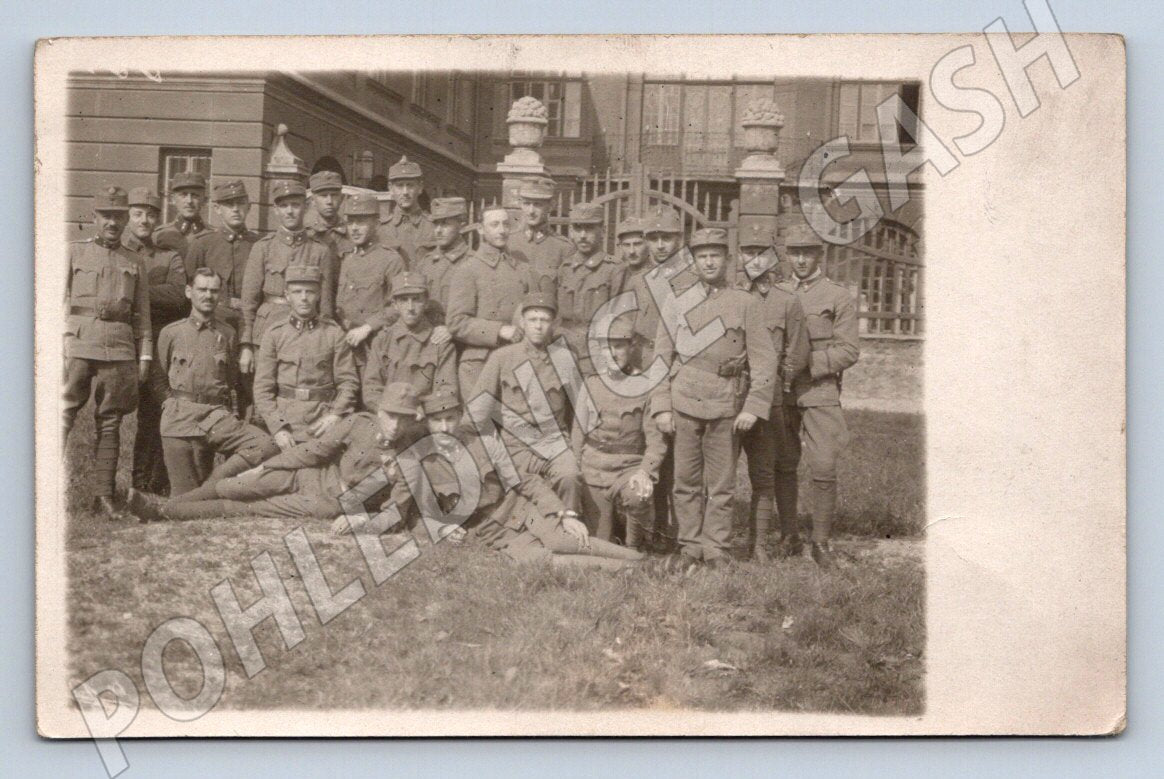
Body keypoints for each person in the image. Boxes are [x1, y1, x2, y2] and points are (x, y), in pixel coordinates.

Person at [395, 389, 642, 569]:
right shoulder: (423, 462)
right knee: (541, 560)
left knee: (562, 540)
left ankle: (640, 560)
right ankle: (629, 569)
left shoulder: (484, 442)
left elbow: (525, 480)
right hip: (492, 532)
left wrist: (562, 513)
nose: (444, 427)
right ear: (427, 423)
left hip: (520, 510)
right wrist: (443, 528)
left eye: (450, 419)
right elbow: (418, 516)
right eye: (437, 421)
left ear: (460, 417)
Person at [651, 227, 778, 570]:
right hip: (684, 401)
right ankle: (689, 546)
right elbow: (661, 357)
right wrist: (661, 406)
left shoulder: (746, 303)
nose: (708, 262)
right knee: (685, 481)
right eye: (702, 256)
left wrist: (754, 406)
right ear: (693, 262)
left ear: (727, 259)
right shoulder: (677, 301)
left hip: (726, 403)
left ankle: (716, 548)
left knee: (722, 484)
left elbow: (764, 360)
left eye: (715, 256)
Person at [128, 382, 421, 522]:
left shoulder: (410, 457)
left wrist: (359, 521)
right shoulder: (360, 423)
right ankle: (164, 507)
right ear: (379, 411)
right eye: (391, 415)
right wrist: (268, 466)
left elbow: (396, 512)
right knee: (232, 486)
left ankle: (162, 512)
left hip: (327, 502)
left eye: (404, 418)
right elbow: (314, 451)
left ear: (413, 420)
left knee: (247, 507)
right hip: (309, 474)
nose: (395, 425)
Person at [145, 267, 280, 497]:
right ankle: (202, 494)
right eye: (202, 290)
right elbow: (157, 376)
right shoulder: (171, 332)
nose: (208, 296)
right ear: (189, 292)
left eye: (214, 291)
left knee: (266, 445)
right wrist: (168, 404)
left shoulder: (228, 334)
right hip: (179, 419)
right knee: (185, 496)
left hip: (215, 416)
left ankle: (214, 484)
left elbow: (231, 378)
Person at [63, 186, 152, 520]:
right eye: (106, 216)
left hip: (118, 346)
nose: (112, 223)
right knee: (62, 413)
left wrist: (145, 355)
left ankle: (103, 496)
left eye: (118, 216)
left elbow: (142, 314)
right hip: (78, 343)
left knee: (111, 421)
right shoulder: (74, 252)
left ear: (126, 219)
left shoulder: (135, 261)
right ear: (94, 217)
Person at [777, 222, 860, 569]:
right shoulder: (777, 292)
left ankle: (821, 542)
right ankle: (788, 535)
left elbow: (849, 350)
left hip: (819, 389)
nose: (800, 260)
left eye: (807, 253)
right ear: (787, 256)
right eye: (794, 253)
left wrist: (807, 364)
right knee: (783, 463)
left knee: (824, 465)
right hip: (782, 391)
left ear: (819, 255)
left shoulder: (837, 296)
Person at [735, 222, 811, 560]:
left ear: (772, 256)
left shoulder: (787, 300)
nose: (753, 259)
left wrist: (779, 384)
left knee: (765, 470)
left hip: (770, 398)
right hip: (732, 393)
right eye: (747, 252)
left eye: (760, 253)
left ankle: (759, 544)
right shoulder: (733, 295)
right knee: (719, 471)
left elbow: (796, 351)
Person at [469, 293, 583, 514]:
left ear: (553, 324)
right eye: (533, 320)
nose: (538, 326)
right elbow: (477, 410)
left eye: (544, 320)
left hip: (553, 442)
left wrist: (575, 452)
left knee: (570, 476)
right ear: (522, 322)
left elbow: (579, 412)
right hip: (514, 445)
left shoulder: (566, 360)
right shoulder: (502, 357)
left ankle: (569, 526)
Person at [571, 317, 665, 549]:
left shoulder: (645, 386)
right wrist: (575, 472)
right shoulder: (591, 383)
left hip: (629, 467)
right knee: (600, 544)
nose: (612, 353)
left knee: (637, 495)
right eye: (606, 347)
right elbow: (578, 432)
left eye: (619, 346)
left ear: (631, 347)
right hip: (594, 468)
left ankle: (634, 547)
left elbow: (656, 441)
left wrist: (645, 472)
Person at [122, 187, 188, 495]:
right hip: (121, 341)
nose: (144, 220)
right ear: (128, 216)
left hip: (157, 342)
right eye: (137, 214)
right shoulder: (117, 251)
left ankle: (147, 482)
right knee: (111, 414)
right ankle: (106, 489)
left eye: (150, 215)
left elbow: (177, 296)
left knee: (154, 413)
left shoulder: (167, 256)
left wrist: (134, 292)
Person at [252, 264, 358, 449]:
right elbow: (262, 389)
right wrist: (278, 428)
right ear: (287, 295)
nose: (303, 298)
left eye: (309, 292)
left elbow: (348, 382)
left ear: (318, 295)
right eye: (297, 292)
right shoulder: (275, 334)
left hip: (323, 421)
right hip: (286, 423)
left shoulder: (333, 333)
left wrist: (335, 415)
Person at [239, 178, 337, 375]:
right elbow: (248, 302)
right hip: (266, 331)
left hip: (307, 332)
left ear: (306, 206)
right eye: (283, 206)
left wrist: (324, 342)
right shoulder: (263, 247)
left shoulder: (320, 251)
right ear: (276, 210)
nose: (290, 211)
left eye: (295, 205)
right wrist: (246, 345)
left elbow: (325, 306)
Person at [184, 179, 261, 420]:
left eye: (240, 203)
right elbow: (190, 291)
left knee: (251, 390)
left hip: (251, 326)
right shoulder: (202, 245)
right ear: (217, 208)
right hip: (214, 326)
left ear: (249, 206)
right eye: (228, 204)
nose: (235, 209)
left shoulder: (259, 245)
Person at [446, 204, 539, 398]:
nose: (502, 230)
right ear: (481, 229)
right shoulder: (468, 270)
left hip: (518, 360)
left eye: (506, 224)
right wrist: (499, 330)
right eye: (494, 225)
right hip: (481, 364)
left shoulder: (523, 269)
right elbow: (456, 322)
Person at [334, 191, 407, 385]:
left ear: (376, 223)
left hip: (375, 346)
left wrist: (368, 327)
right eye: (351, 222)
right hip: (346, 347)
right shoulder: (347, 260)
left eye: (361, 222)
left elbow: (399, 306)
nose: (354, 228)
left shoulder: (391, 260)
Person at [362, 272, 457, 409]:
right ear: (395, 305)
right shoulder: (382, 340)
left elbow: (447, 390)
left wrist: (418, 409)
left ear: (426, 303)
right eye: (404, 300)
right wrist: (390, 411)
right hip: (388, 414)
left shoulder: (440, 342)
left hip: (426, 415)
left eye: (416, 300)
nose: (410, 307)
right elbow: (371, 389)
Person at [556, 202, 628, 376]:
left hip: (596, 355)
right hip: (564, 352)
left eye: (589, 228)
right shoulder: (565, 269)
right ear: (571, 231)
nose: (582, 235)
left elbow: (619, 319)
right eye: (578, 228)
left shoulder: (614, 269)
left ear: (602, 231)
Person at [507, 176, 572, 296]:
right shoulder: (508, 243)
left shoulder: (563, 248)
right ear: (521, 204)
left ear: (551, 206)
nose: (531, 211)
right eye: (527, 204)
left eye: (537, 204)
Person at [415, 197, 472, 320]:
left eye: (445, 224)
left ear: (462, 226)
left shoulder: (473, 262)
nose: (438, 230)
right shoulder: (425, 263)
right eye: (436, 224)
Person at [378, 156, 435, 268]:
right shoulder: (381, 229)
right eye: (400, 186)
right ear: (391, 188)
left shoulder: (433, 227)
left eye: (410, 185)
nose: (405, 192)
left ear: (420, 187)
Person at [152, 171, 212, 258]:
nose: (189, 201)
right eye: (183, 195)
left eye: (195, 195)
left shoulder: (213, 235)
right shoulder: (158, 235)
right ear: (173, 199)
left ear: (204, 200)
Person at [304, 170, 354, 259]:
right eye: (323, 196)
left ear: (341, 198)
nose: (329, 201)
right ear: (313, 200)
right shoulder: (305, 234)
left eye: (334, 195)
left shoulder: (353, 233)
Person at [616, 216, 650, 285]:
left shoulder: (657, 274)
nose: (632, 251)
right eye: (627, 245)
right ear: (620, 247)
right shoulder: (615, 275)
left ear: (648, 244)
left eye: (637, 244)